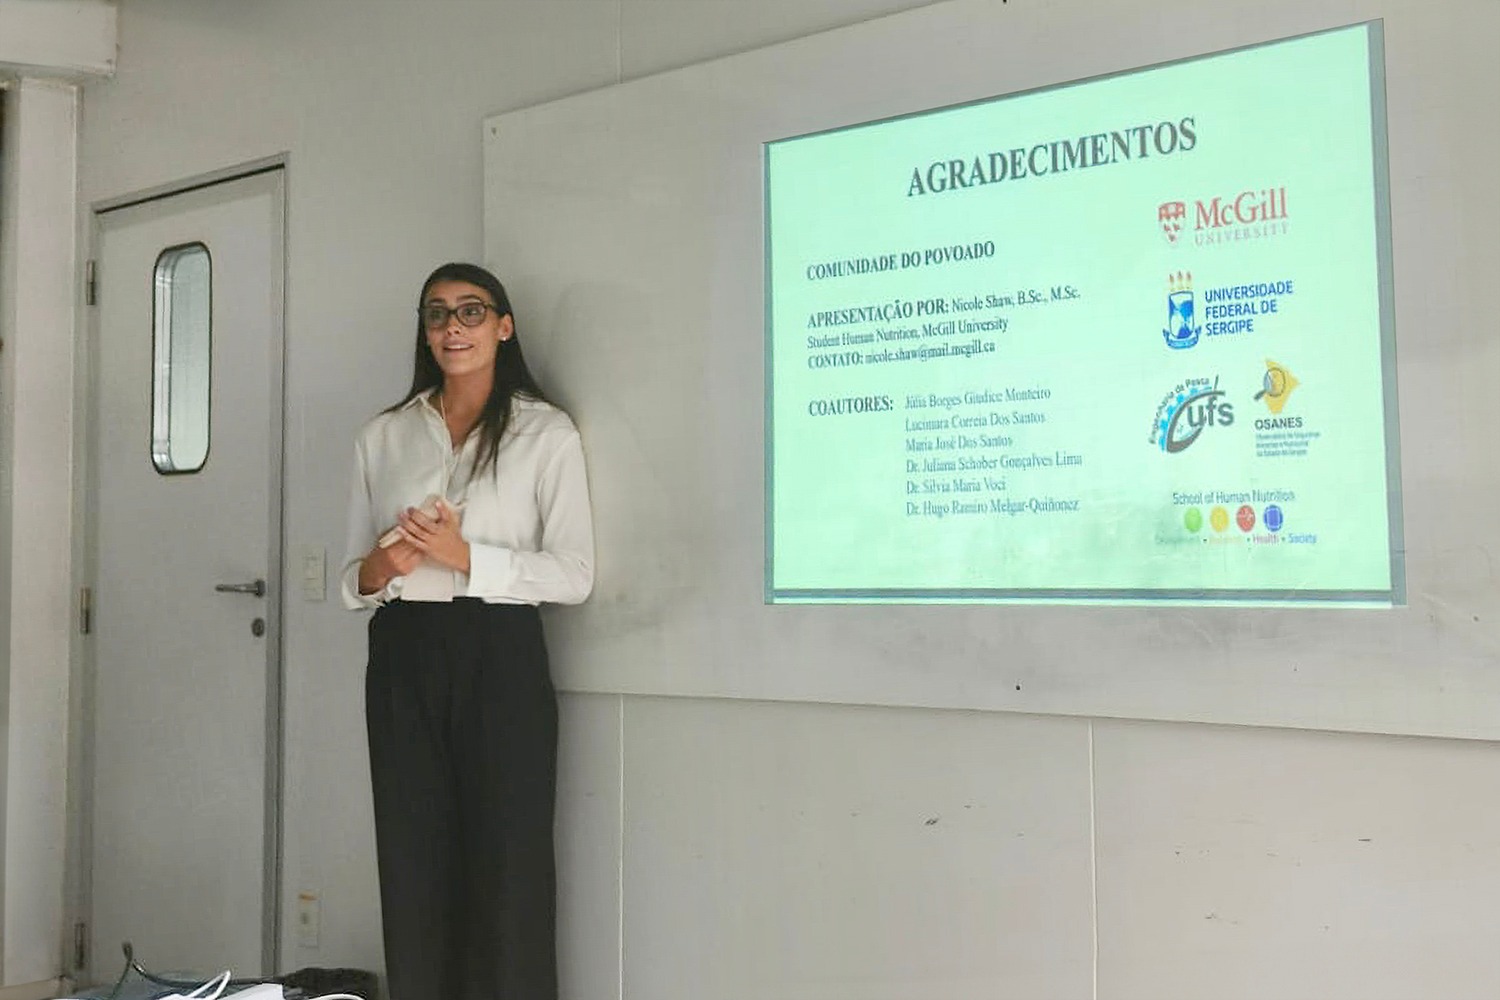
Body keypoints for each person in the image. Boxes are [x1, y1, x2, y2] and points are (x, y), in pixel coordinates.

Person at [341, 262, 594, 1000]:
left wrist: (464, 559)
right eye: (438, 314)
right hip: (402, 654)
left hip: (501, 653)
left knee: (508, 865)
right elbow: (351, 580)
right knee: (413, 860)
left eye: (472, 312)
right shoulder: (382, 436)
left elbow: (575, 574)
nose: (453, 327)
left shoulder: (547, 434)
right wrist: (385, 563)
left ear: (503, 326)